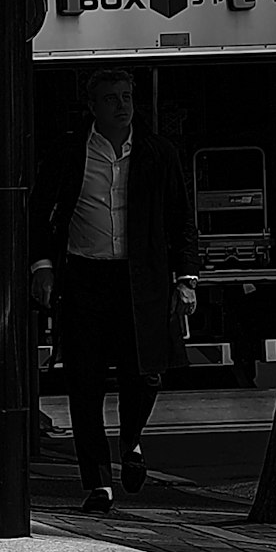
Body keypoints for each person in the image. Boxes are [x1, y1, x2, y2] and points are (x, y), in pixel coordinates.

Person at [28, 66, 199, 512]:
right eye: (111, 98)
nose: (122, 106)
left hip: (140, 278)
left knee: (144, 373)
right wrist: (43, 266)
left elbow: (181, 218)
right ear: (93, 106)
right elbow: (41, 213)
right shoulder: (69, 153)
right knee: (84, 382)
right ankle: (98, 484)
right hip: (85, 277)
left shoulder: (157, 152)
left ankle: (132, 442)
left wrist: (185, 279)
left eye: (126, 97)